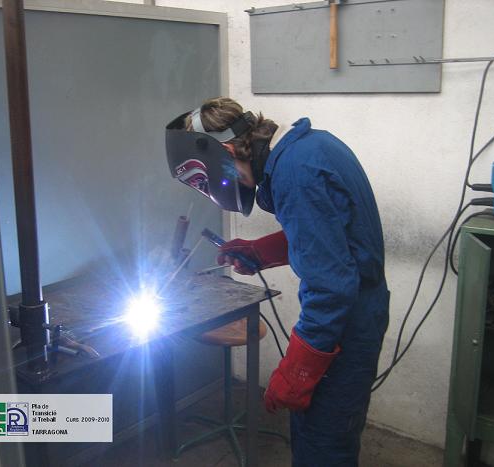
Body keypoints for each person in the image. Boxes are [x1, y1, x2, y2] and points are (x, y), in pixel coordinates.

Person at [166, 97, 390, 466]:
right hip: (356, 312)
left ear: (225, 153)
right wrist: (259, 251)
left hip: (346, 326)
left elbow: (331, 289)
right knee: (327, 436)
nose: (212, 190)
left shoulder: (295, 173)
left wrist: (296, 371)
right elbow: (329, 236)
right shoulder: (306, 149)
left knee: (321, 445)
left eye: (205, 182)